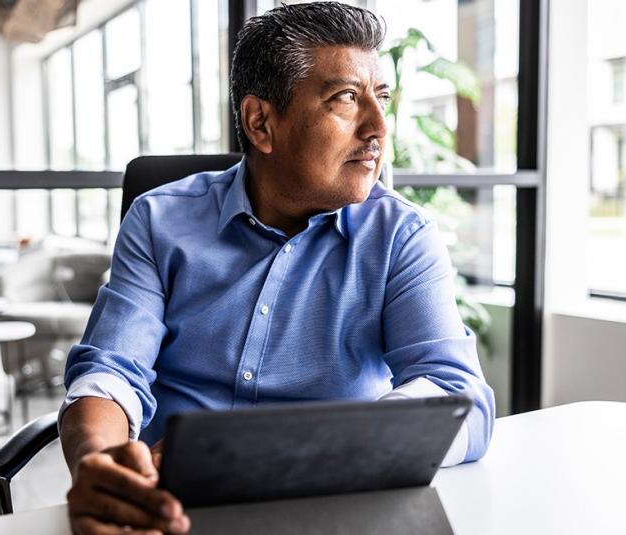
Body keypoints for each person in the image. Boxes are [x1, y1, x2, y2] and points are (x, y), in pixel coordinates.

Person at [60, 3, 495, 534]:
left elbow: (461, 400)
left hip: (331, 510)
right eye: (345, 99)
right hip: (172, 510)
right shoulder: (159, 220)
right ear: (261, 122)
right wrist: (100, 467)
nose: (379, 127)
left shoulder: (401, 237)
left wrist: (285, 452)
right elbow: (110, 371)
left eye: (381, 99)